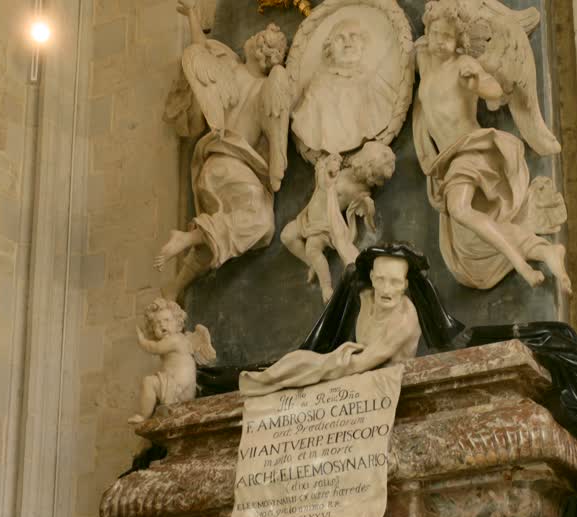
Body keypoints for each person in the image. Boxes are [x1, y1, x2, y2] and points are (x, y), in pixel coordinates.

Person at [412, 0, 571, 293]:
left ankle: (523, 265)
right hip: (448, 161)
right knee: (470, 240)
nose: (439, 42)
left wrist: (476, 85)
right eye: (435, 34)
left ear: (459, 40)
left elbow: (495, 88)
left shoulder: (464, 64)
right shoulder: (425, 62)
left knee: (459, 209)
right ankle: (542, 251)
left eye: (447, 37)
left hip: (471, 149)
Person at [156, 0, 292, 299]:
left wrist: (192, 13)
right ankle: (186, 236)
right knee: (259, 222)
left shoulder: (229, 69)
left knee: (222, 233)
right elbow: (276, 146)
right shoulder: (265, 89)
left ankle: (175, 286)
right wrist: (275, 166)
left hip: (210, 168)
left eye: (258, 41)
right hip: (233, 168)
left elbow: (200, 52)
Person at [239, 252, 420, 396]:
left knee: (298, 363)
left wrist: (312, 368)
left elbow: (359, 364)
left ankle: (264, 381)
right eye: (381, 279)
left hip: (379, 383)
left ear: (405, 284)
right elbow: (345, 245)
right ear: (372, 277)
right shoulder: (366, 296)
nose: (386, 289)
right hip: (349, 368)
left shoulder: (404, 320)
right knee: (295, 361)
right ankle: (263, 379)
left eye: (395, 282)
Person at [280, 143, 396, 303]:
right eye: (362, 161)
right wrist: (328, 163)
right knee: (287, 236)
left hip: (324, 224)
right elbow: (326, 177)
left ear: (370, 174)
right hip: (309, 216)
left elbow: (327, 186)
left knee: (312, 248)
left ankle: (326, 286)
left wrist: (323, 170)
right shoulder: (348, 169)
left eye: (366, 168)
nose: (358, 166)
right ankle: (312, 264)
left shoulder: (357, 190)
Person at [291, 18, 398, 155]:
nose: (348, 44)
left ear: (363, 44)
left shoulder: (376, 84)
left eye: (353, 37)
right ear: (329, 49)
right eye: (340, 39)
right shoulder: (317, 90)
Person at [127, 299, 217, 425]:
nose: (162, 325)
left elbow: (155, 348)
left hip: (178, 385)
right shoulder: (184, 339)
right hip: (186, 389)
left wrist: (142, 340)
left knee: (148, 382)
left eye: (167, 320)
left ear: (178, 323)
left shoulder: (174, 339)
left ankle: (143, 415)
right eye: (157, 324)